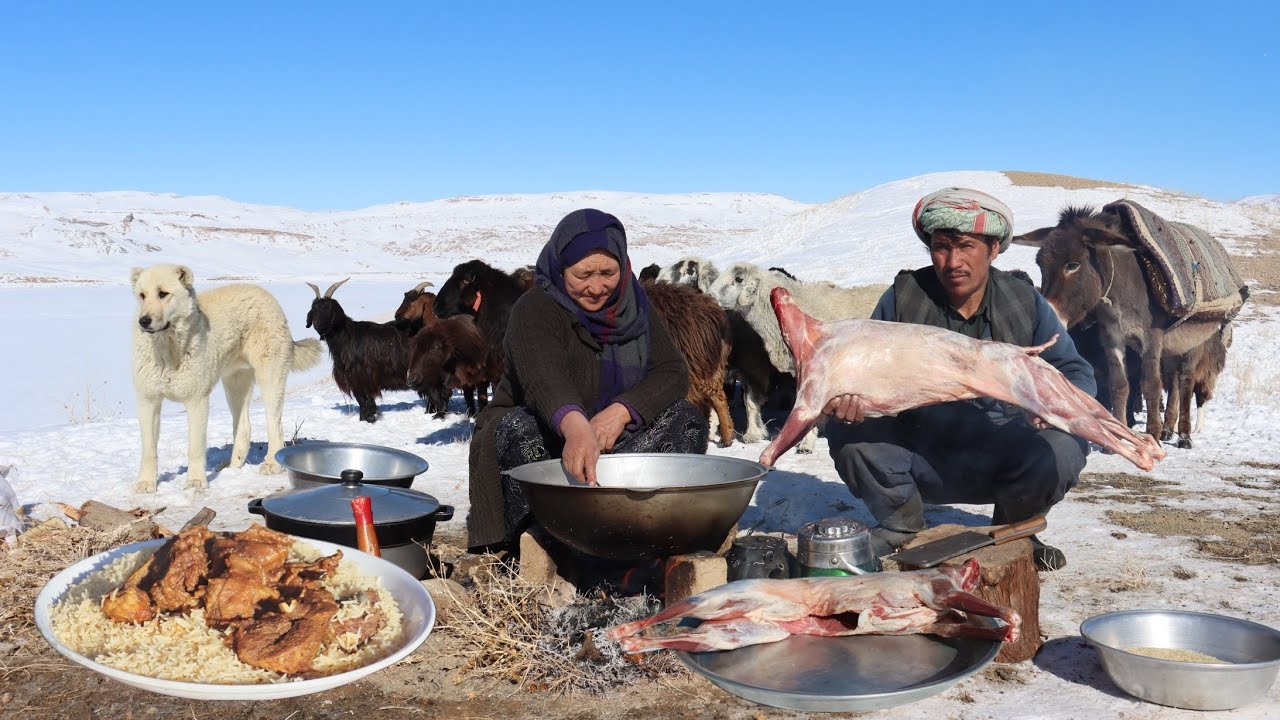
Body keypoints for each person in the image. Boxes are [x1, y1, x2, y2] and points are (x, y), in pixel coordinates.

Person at [823, 188, 1096, 571]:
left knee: (1066, 443)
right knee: (848, 434)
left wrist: (1052, 406)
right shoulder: (903, 298)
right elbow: (862, 369)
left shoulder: (1024, 302)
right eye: (941, 247)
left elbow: (1075, 371)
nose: (953, 262)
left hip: (1005, 452)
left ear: (994, 249)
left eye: (966, 246)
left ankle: (1015, 532)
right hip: (919, 453)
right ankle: (900, 525)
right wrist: (848, 397)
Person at [466, 208, 709, 552]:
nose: (596, 288)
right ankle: (542, 530)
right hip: (550, 437)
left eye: (608, 273)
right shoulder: (535, 308)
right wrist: (577, 428)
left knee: (686, 418)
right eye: (583, 275)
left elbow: (672, 371)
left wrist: (622, 411)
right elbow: (543, 379)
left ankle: (637, 516)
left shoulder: (634, 304)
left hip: (617, 437)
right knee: (519, 430)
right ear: (560, 268)